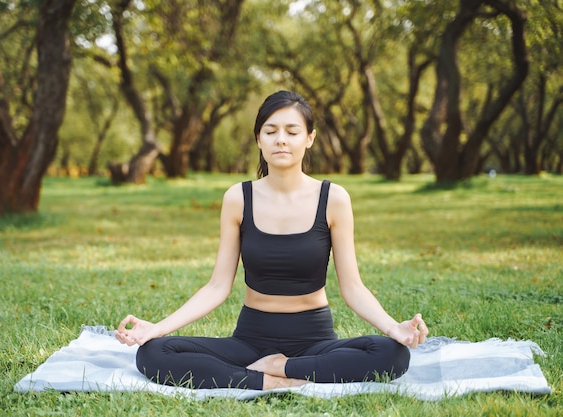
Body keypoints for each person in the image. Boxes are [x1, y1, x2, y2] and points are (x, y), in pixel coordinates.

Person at [115, 90, 429, 390]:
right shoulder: (239, 198)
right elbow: (217, 287)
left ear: (309, 139)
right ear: (258, 139)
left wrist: (393, 328)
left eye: (292, 131)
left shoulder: (333, 198)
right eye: (270, 131)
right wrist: (157, 329)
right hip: (250, 340)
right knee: (153, 354)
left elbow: (353, 288)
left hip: (315, 341)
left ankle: (281, 368)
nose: (281, 139)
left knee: (394, 355)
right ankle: (265, 378)